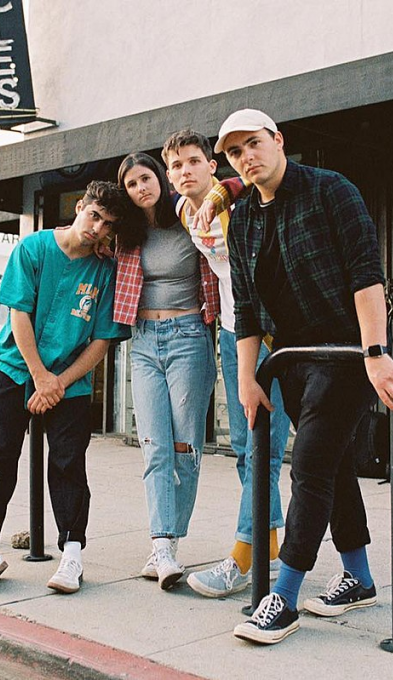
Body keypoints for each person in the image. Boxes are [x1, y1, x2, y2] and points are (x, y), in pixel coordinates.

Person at [212, 109, 393, 645]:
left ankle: (284, 596)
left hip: (346, 354)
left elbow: (366, 273)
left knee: (309, 467)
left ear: (278, 140)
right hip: (293, 360)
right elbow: (247, 308)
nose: (247, 157)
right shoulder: (245, 219)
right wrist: (247, 378)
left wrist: (374, 352)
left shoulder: (330, 190)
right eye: (234, 153)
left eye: (254, 144)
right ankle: (360, 577)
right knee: (334, 466)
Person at [0, 181, 130, 594]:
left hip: (69, 382)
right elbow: (19, 313)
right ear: (79, 207)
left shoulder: (105, 269)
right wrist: (41, 376)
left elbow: (102, 340)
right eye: (94, 215)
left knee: (68, 463)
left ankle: (72, 556)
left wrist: (58, 381)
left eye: (108, 224)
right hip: (15, 367)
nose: (97, 228)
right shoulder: (35, 248)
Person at [161, 129, 290, 598]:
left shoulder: (237, 200)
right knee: (244, 445)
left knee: (263, 448)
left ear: (212, 166)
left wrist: (222, 191)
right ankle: (269, 546)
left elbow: (245, 184)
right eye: (176, 166)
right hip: (236, 332)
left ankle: (245, 553)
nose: (185, 171)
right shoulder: (181, 209)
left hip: (275, 331)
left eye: (195, 161)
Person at [113, 152, 218, 590]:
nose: (141, 188)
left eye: (146, 178)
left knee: (184, 447)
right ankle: (162, 547)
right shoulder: (128, 233)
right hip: (144, 342)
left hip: (189, 337)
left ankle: (171, 538)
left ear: (162, 177)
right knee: (153, 445)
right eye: (132, 184)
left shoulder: (190, 217)